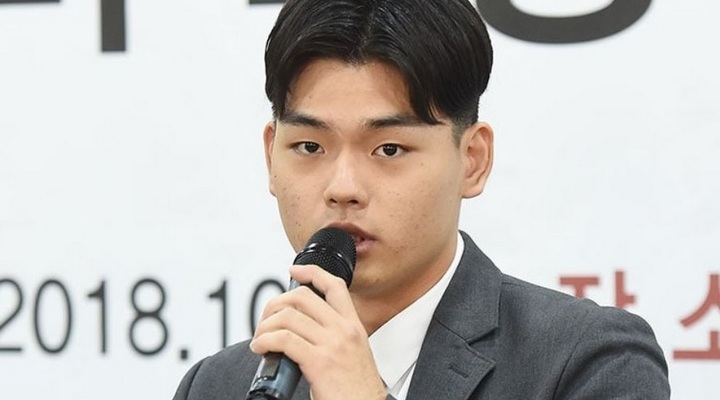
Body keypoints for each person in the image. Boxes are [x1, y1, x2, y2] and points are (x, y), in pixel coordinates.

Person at [173, 0, 670, 399]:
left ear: (472, 160)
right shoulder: (218, 385)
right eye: (309, 147)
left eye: (389, 149)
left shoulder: (589, 362)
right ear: (270, 157)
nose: (342, 188)